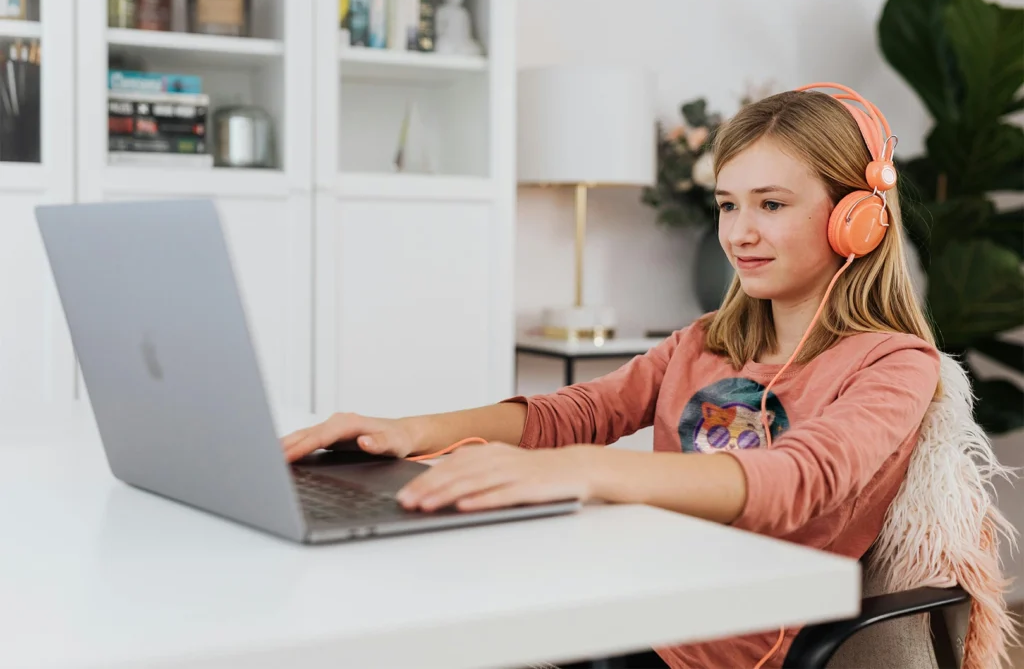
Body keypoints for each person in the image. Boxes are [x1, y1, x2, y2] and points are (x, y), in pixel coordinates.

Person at [281, 84, 942, 669]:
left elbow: (794, 481)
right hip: (622, 593)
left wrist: (583, 470)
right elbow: (565, 415)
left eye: (770, 204)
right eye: (727, 204)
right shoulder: (704, 340)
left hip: (708, 643)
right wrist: (410, 430)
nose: (740, 232)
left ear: (857, 220)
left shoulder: (895, 363)